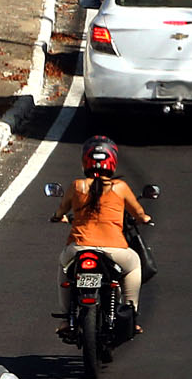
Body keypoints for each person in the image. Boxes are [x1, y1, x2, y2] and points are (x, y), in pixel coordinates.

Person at [52, 136, 153, 325]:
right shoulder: (120, 187)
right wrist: (145, 219)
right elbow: (140, 214)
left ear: (85, 161)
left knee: (64, 268)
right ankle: (131, 315)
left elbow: (60, 211)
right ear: (112, 162)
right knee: (134, 265)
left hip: (79, 248)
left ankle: (66, 318)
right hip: (115, 250)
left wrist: (58, 217)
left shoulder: (77, 186)